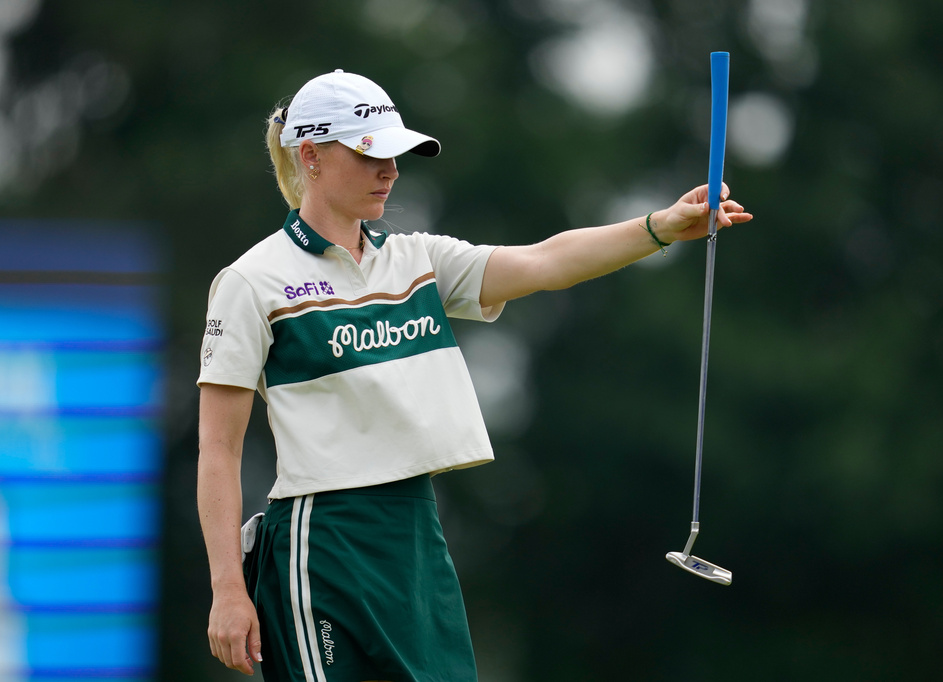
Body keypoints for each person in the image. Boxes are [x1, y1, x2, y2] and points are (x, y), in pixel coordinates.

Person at [196, 68, 752, 681]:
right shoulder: (252, 281)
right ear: (312, 156)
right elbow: (218, 450)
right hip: (322, 538)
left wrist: (659, 228)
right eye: (370, 154)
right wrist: (227, 589)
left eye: (397, 156)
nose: (392, 171)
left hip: (414, 532)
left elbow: (545, 262)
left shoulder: (415, 260)